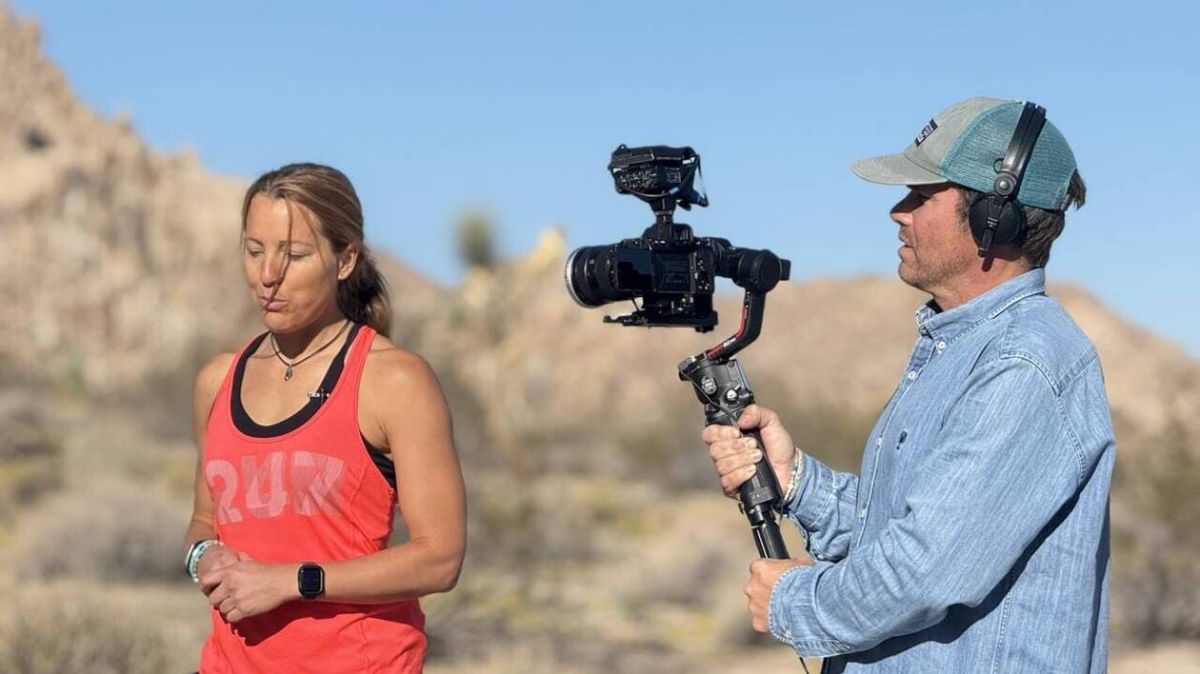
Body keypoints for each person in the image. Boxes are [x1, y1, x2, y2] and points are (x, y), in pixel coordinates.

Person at [703, 98, 1114, 672]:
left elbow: (923, 571)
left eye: (921, 197)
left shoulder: (1023, 365)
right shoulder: (962, 347)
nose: (898, 212)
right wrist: (793, 479)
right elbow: (902, 530)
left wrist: (794, 600)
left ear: (993, 218)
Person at [183, 163, 466, 673]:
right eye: (254, 250)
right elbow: (204, 522)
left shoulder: (394, 381)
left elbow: (440, 558)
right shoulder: (217, 380)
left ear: (345, 260)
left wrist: (292, 581)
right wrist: (203, 557)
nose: (268, 274)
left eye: (294, 255)